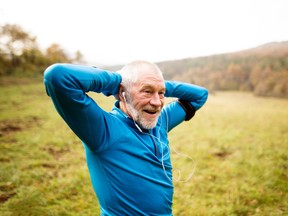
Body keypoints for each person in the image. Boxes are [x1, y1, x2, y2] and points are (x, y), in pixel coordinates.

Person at [44, 61, 208, 215]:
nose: (157, 103)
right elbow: (57, 76)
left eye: (161, 94)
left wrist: (157, 85)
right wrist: (118, 83)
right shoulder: (104, 130)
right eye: (147, 91)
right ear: (122, 93)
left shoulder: (160, 122)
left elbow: (200, 95)